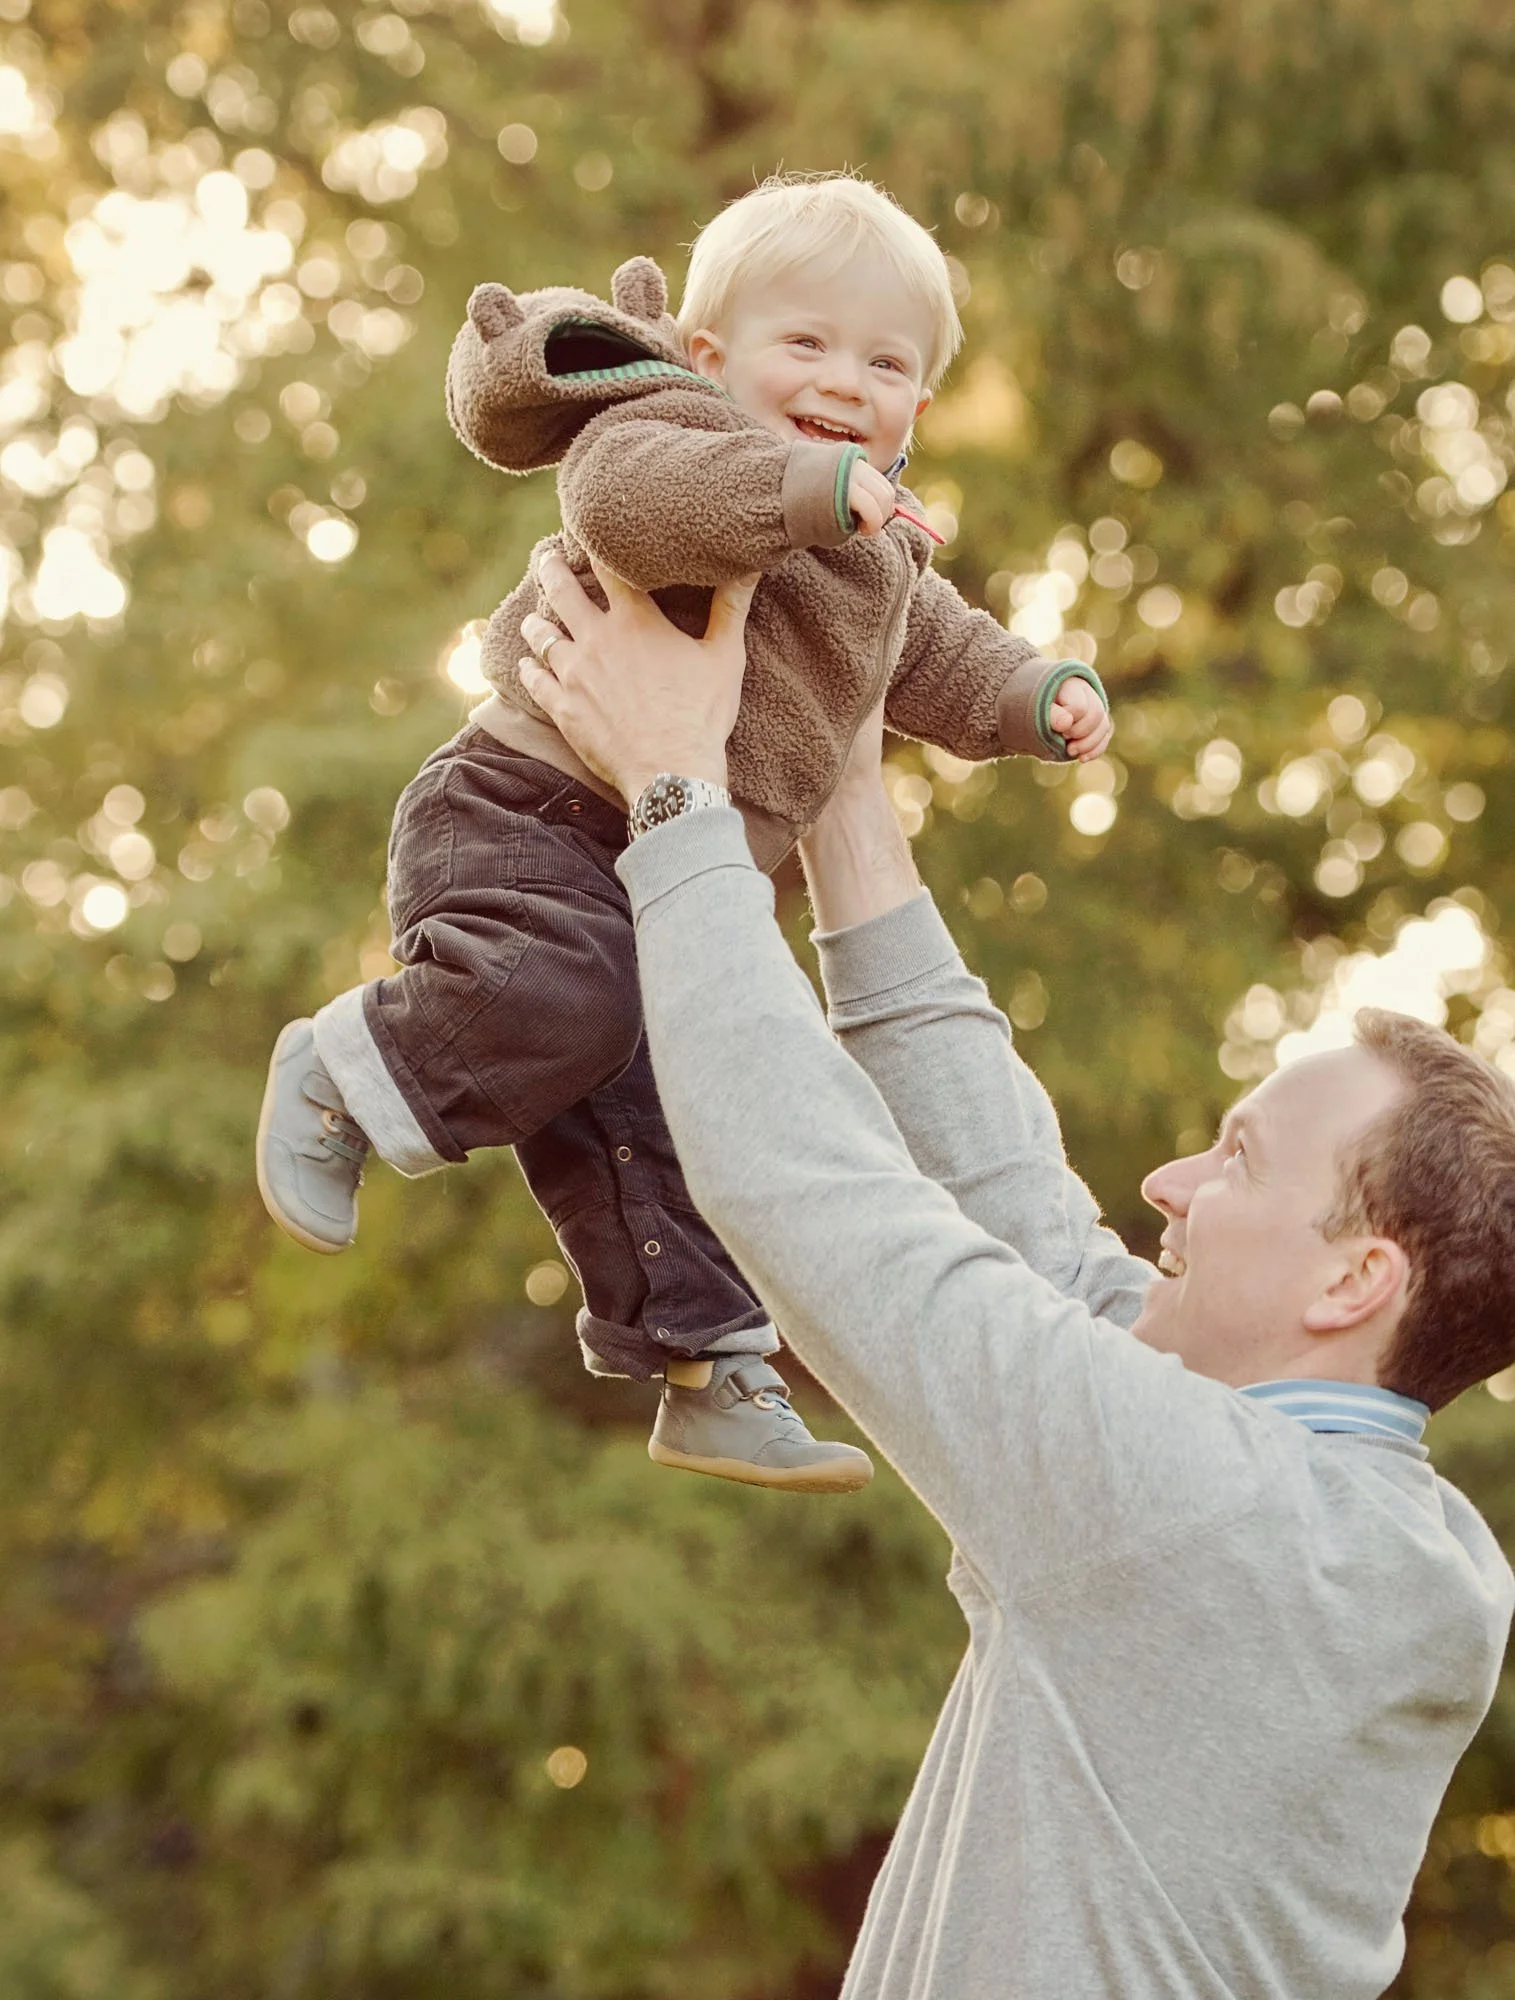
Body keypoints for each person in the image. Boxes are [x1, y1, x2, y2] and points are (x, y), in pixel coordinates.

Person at [514, 549, 1515, 2000]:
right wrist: (847, 776)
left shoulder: (1210, 1515)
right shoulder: (1344, 1529)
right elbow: (1025, 1227)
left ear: (1352, 1283)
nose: (1167, 1185)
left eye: (1235, 1162)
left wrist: (676, 790)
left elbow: (816, 1202)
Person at [255, 173, 1110, 1496]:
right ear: (711, 357)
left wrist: (1029, 697)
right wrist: (805, 486)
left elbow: (937, 656)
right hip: (531, 814)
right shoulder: (662, 430)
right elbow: (640, 509)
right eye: (806, 345)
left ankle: (709, 1368)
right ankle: (351, 1064)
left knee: (684, 1121)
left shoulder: (876, 561)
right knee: (571, 997)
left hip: (665, 863)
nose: (844, 379)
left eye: (884, 363)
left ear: (916, 413)